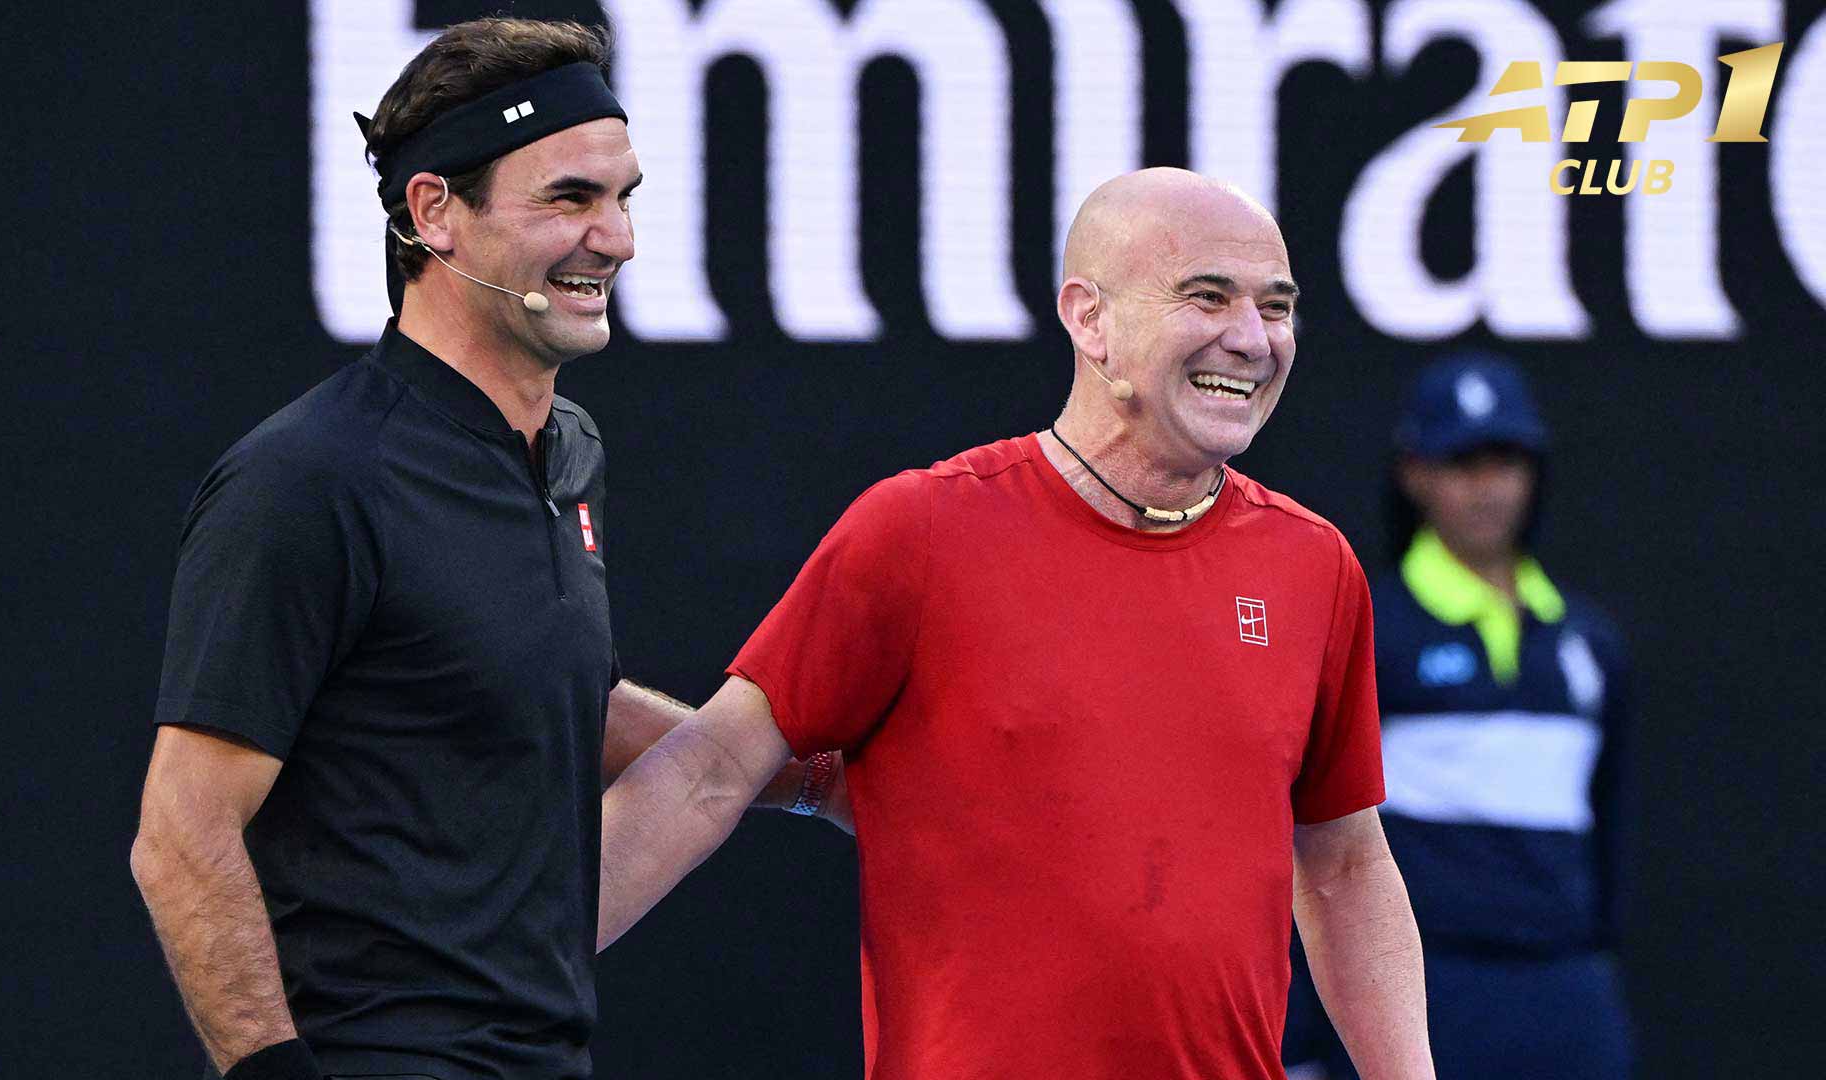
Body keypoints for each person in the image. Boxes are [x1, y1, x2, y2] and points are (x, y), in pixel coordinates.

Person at [599, 168, 1436, 1079]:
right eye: (1207, 297)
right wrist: (509, 975)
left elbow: (1345, 864)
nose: (1251, 339)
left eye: (1276, 308)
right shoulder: (920, 531)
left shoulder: (1314, 566)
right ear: (1090, 318)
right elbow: (712, 769)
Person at [128, 19, 839, 1080]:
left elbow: (540, 697)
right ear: (435, 214)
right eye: (568, 198)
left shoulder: (569, 453)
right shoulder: (309, 479)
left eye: (623, 197)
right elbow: (181, 832)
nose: (617, 239)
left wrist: (798, 778)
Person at [1282, 354, 1635, 1079]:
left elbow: (1609, 832)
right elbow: (1313, 844)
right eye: (1461, 461)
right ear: (1414, 473)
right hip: (1422, 987)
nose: (1487, 486)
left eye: (1504, 460)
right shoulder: (1366, 626)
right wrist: (1302, 1042)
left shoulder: (1589, 643)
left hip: (1564, 989)